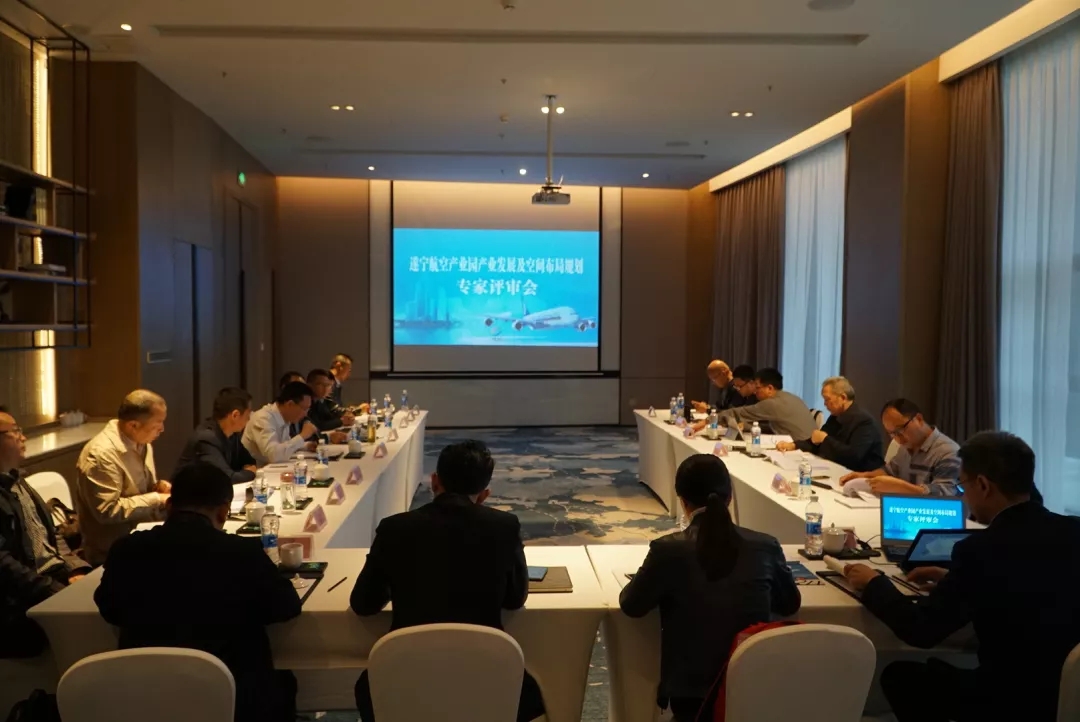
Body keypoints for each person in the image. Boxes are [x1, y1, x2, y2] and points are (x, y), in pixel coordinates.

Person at [842, 432, 1080, 722]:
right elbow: (1031, 581)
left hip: (1011, 699)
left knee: (901, 676)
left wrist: (874, 583)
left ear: (983, 485)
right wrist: (954, 578)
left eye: (962, 485)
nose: (963, 495)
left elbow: (922, 630)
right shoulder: (1074, 530)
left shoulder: (979, 550)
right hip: (1069, 691)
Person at [350, 440, 544, 722]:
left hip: (405, 673)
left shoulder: (394, 528)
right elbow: (515, 599)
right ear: (485, 494)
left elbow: (363, 604)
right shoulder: (504, 526)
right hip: (487, 673)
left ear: (434, 481)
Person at [94, 462, 301, 722]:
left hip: (146, 697)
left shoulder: (126, 549)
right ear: (224, 511)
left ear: (170, 506)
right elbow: (286, 606)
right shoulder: (241, 552)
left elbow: (109, 608)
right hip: (233, 699)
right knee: (283, 681)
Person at [620, 454, 801, 721]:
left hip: (690, 695)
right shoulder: (766, 546)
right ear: (730, 497)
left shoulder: (667, 550)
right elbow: (790, 604)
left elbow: (632, 605)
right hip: (751, 683)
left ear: (682, 501)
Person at [0, 408, 91, 658]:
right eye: (15, 431)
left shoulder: (18, 480)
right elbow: (5, 566)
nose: (23, 437)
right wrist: (53, 589)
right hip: (20, 597)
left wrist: (73, 568)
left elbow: (50, 535)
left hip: (51, 576)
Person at [75, 390, 171, 566]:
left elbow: (138, 492)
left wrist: (157, 487)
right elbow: (107, 511)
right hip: (113, 553)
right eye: (157, 424)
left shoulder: (142, 442)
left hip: (144, 538)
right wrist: (157, 499)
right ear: (133, 425)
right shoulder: (101, 455)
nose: (162, 429)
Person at [839, 398, 960, 496]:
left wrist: (900, 487)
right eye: (892, 434)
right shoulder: (905, 446)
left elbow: (944, 497)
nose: (898, 439)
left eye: (901, 430)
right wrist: (864, 475)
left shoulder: (948, 451)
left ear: (919, 419)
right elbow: (889, 472)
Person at [776, 377, 883, 471]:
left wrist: (825, 439)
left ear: (843, 398)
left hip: (861, 474)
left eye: (827, 399)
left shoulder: (864, 422)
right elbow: (817, 441)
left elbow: (854, 456)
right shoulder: (835, 416)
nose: (825, 404)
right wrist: (794, 445)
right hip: (836, 468)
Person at [174, 387, 259, 485]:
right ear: (235, 415)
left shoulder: (232, 435)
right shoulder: (206, 439)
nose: (249, 419)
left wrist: (245, 471)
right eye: (247, 415)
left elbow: (249, 462)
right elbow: (226, 478)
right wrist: (250, 473)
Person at [717, 368, 816, 440]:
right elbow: (772, 427)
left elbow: (737, 413)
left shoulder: (772, 404)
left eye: (758, 388)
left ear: (770, 388)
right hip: (807, 445)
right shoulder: (791, 397)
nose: (755, 391)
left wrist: (713, 418)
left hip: (801, 450)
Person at [241, 382, 317, 464]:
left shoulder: (284, 418)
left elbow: (284, 446)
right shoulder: (263, 418)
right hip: (255, 469)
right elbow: (273, 455)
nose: (305, 414)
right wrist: (302, 436)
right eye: (304, 409)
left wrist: (306, 445)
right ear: (290, 404)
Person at [306, 369, 355, 433]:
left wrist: (347, 417)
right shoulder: (305, 403)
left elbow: (330, 416)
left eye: (328, 385)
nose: (325, 389)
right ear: (309, 385)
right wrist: (341, 421)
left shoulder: (322, 400)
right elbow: (317, 426)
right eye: (321, 384)